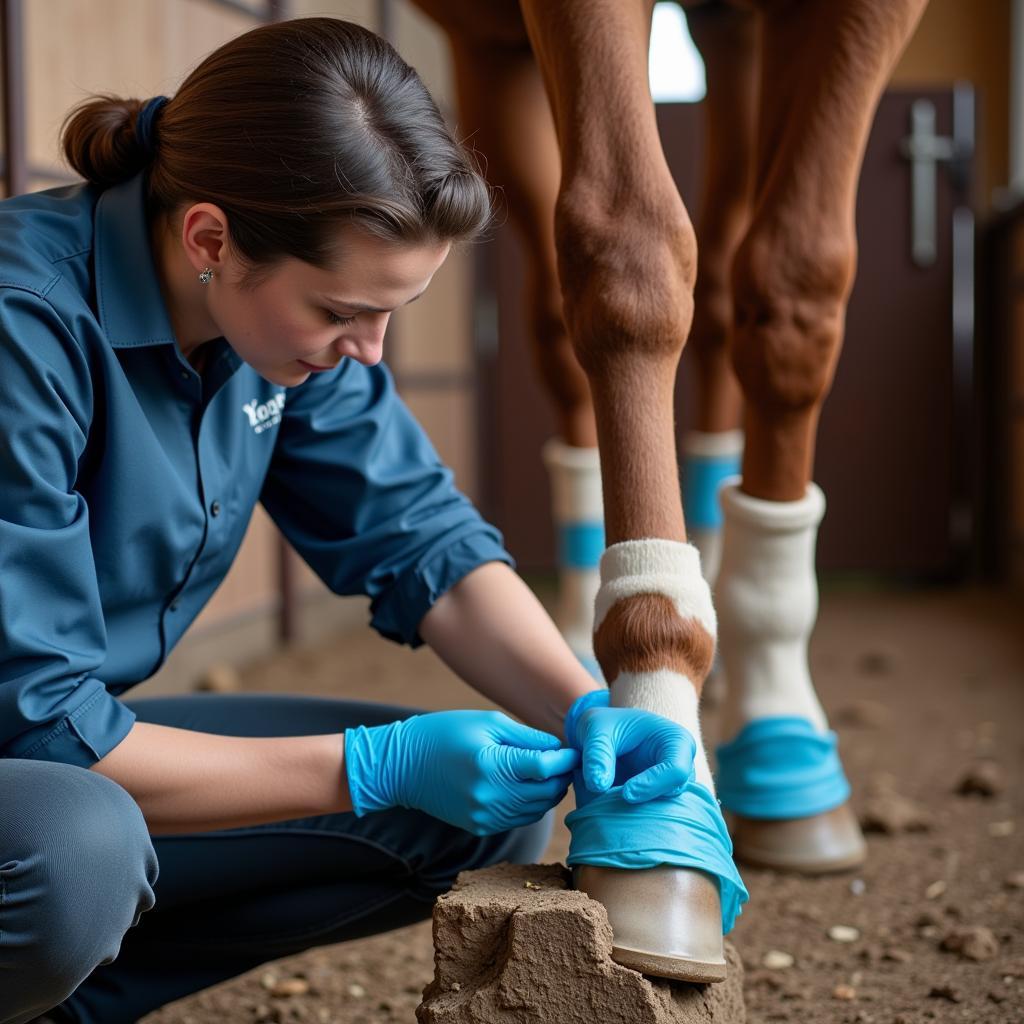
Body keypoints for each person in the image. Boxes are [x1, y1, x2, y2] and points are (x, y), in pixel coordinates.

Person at [0, 18, 697, 1024]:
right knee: (78, 853)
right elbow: (44, 724)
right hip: (40, 772)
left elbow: (423, 540)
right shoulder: (26, 326)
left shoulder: (272, 326)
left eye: (390, 312)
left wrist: (585, 710)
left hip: (51, 760)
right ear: (210, 237)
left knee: (481, 814)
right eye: (339, 312)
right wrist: (375, 766)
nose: (368, 349)